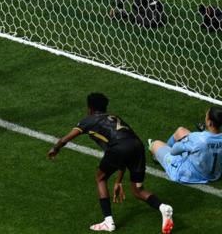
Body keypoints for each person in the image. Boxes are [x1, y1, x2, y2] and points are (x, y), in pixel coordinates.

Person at [47, 93, 173, 233]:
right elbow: (125, 150)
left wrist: (55, 148)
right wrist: (118, 181)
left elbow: (67, 138)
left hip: (119, 148)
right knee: (138, 190)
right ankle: (163, 207)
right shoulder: (115, 118)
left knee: (100, 178)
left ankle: (108, 221)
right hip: (137, 146)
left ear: (90, 108)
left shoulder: (88, 121)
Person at [149, 106, 222, 184]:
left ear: (209, 123)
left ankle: (158, 158)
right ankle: (163, 155)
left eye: (206, 116)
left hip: (190, 174)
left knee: (155, 144)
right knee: (181, 131)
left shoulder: (197, 138)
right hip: (215, 174)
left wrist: (185, 142)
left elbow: (174, 151)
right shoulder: (199, 137)